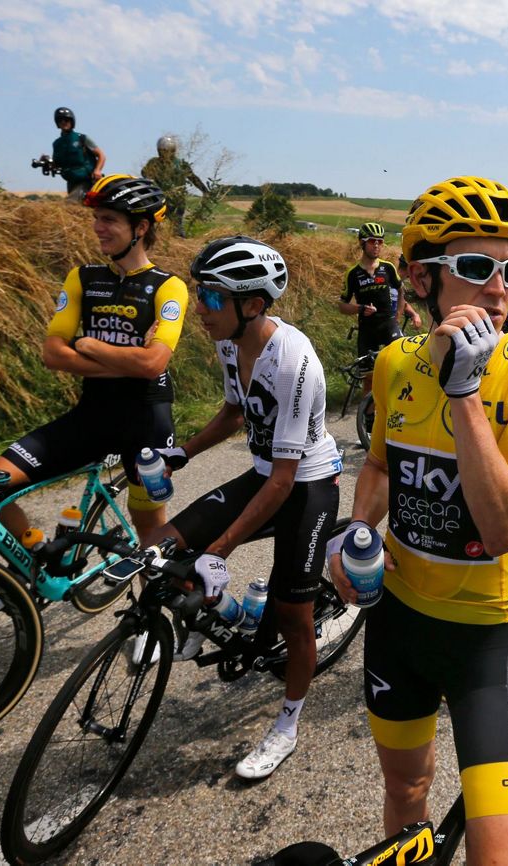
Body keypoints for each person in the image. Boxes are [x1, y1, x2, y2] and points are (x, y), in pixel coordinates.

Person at [328, 177, 508, 864]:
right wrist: (356, 531)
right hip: (398, 624)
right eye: (475, 267)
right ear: (420, 277)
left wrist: (463, 389)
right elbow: (380, 467)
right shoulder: (394, 362)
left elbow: (505, 530)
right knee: (407, 790)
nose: (499, 289)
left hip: (485, 640)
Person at [148, 236, 341, 779]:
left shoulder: (292, 361)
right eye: (199, 294)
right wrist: (182, 453)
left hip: (306, 484)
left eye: (211, 297)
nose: (199, 308)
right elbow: (234, 411)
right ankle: (222, 614)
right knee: (159, 549)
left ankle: (287, 725)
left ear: (253, 304)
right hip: (265, 473)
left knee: (295, 616)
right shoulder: (231, 341)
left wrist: (220, 550)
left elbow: (283, 482)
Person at [0, 175, 183, 614]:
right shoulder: (82, 278)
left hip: (146, 423)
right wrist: (124, 357)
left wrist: (86, 344)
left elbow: (153, 365)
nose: (98, 228)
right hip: (91, 415)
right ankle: (29, 565)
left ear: (141, 227)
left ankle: (150, 622)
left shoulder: (168, 286)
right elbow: (53, 354)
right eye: (97, 219)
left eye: (109, 220)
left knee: (150, 538)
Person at [338, 222, 404, 397]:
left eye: (380, 241)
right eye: (372, 241)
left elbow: (401, 290)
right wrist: (359, 308)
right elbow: (342, 306)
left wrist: (398, 315)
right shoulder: (353, 274)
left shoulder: (387, 268)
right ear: (362, 243)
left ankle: (397, 404)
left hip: (388, 324)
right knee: (369, 380)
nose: (376, 245)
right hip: (367, 329)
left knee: (401, 367)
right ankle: (369, 413)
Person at [141, 135, 208, 238]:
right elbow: (194, 178)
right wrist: (205, 191)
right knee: (174, 226)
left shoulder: (156, 163)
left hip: (164, 200)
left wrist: (205, 190)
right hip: (171, 201)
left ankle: (175, 243)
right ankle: (176, 242)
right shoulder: (178, 164)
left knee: (168, 226)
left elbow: (145, 174)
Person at [50, 107, 105, 202]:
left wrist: (97, 170)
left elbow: (101, 156)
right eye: (60, 120)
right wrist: (47, 162)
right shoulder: (57, 144)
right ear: (57, 123)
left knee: (70, 203)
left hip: (87, 180)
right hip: (71, 182)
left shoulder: (81, 138)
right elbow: (56, 164)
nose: (63, 122)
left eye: (66, 120)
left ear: (72, 122)